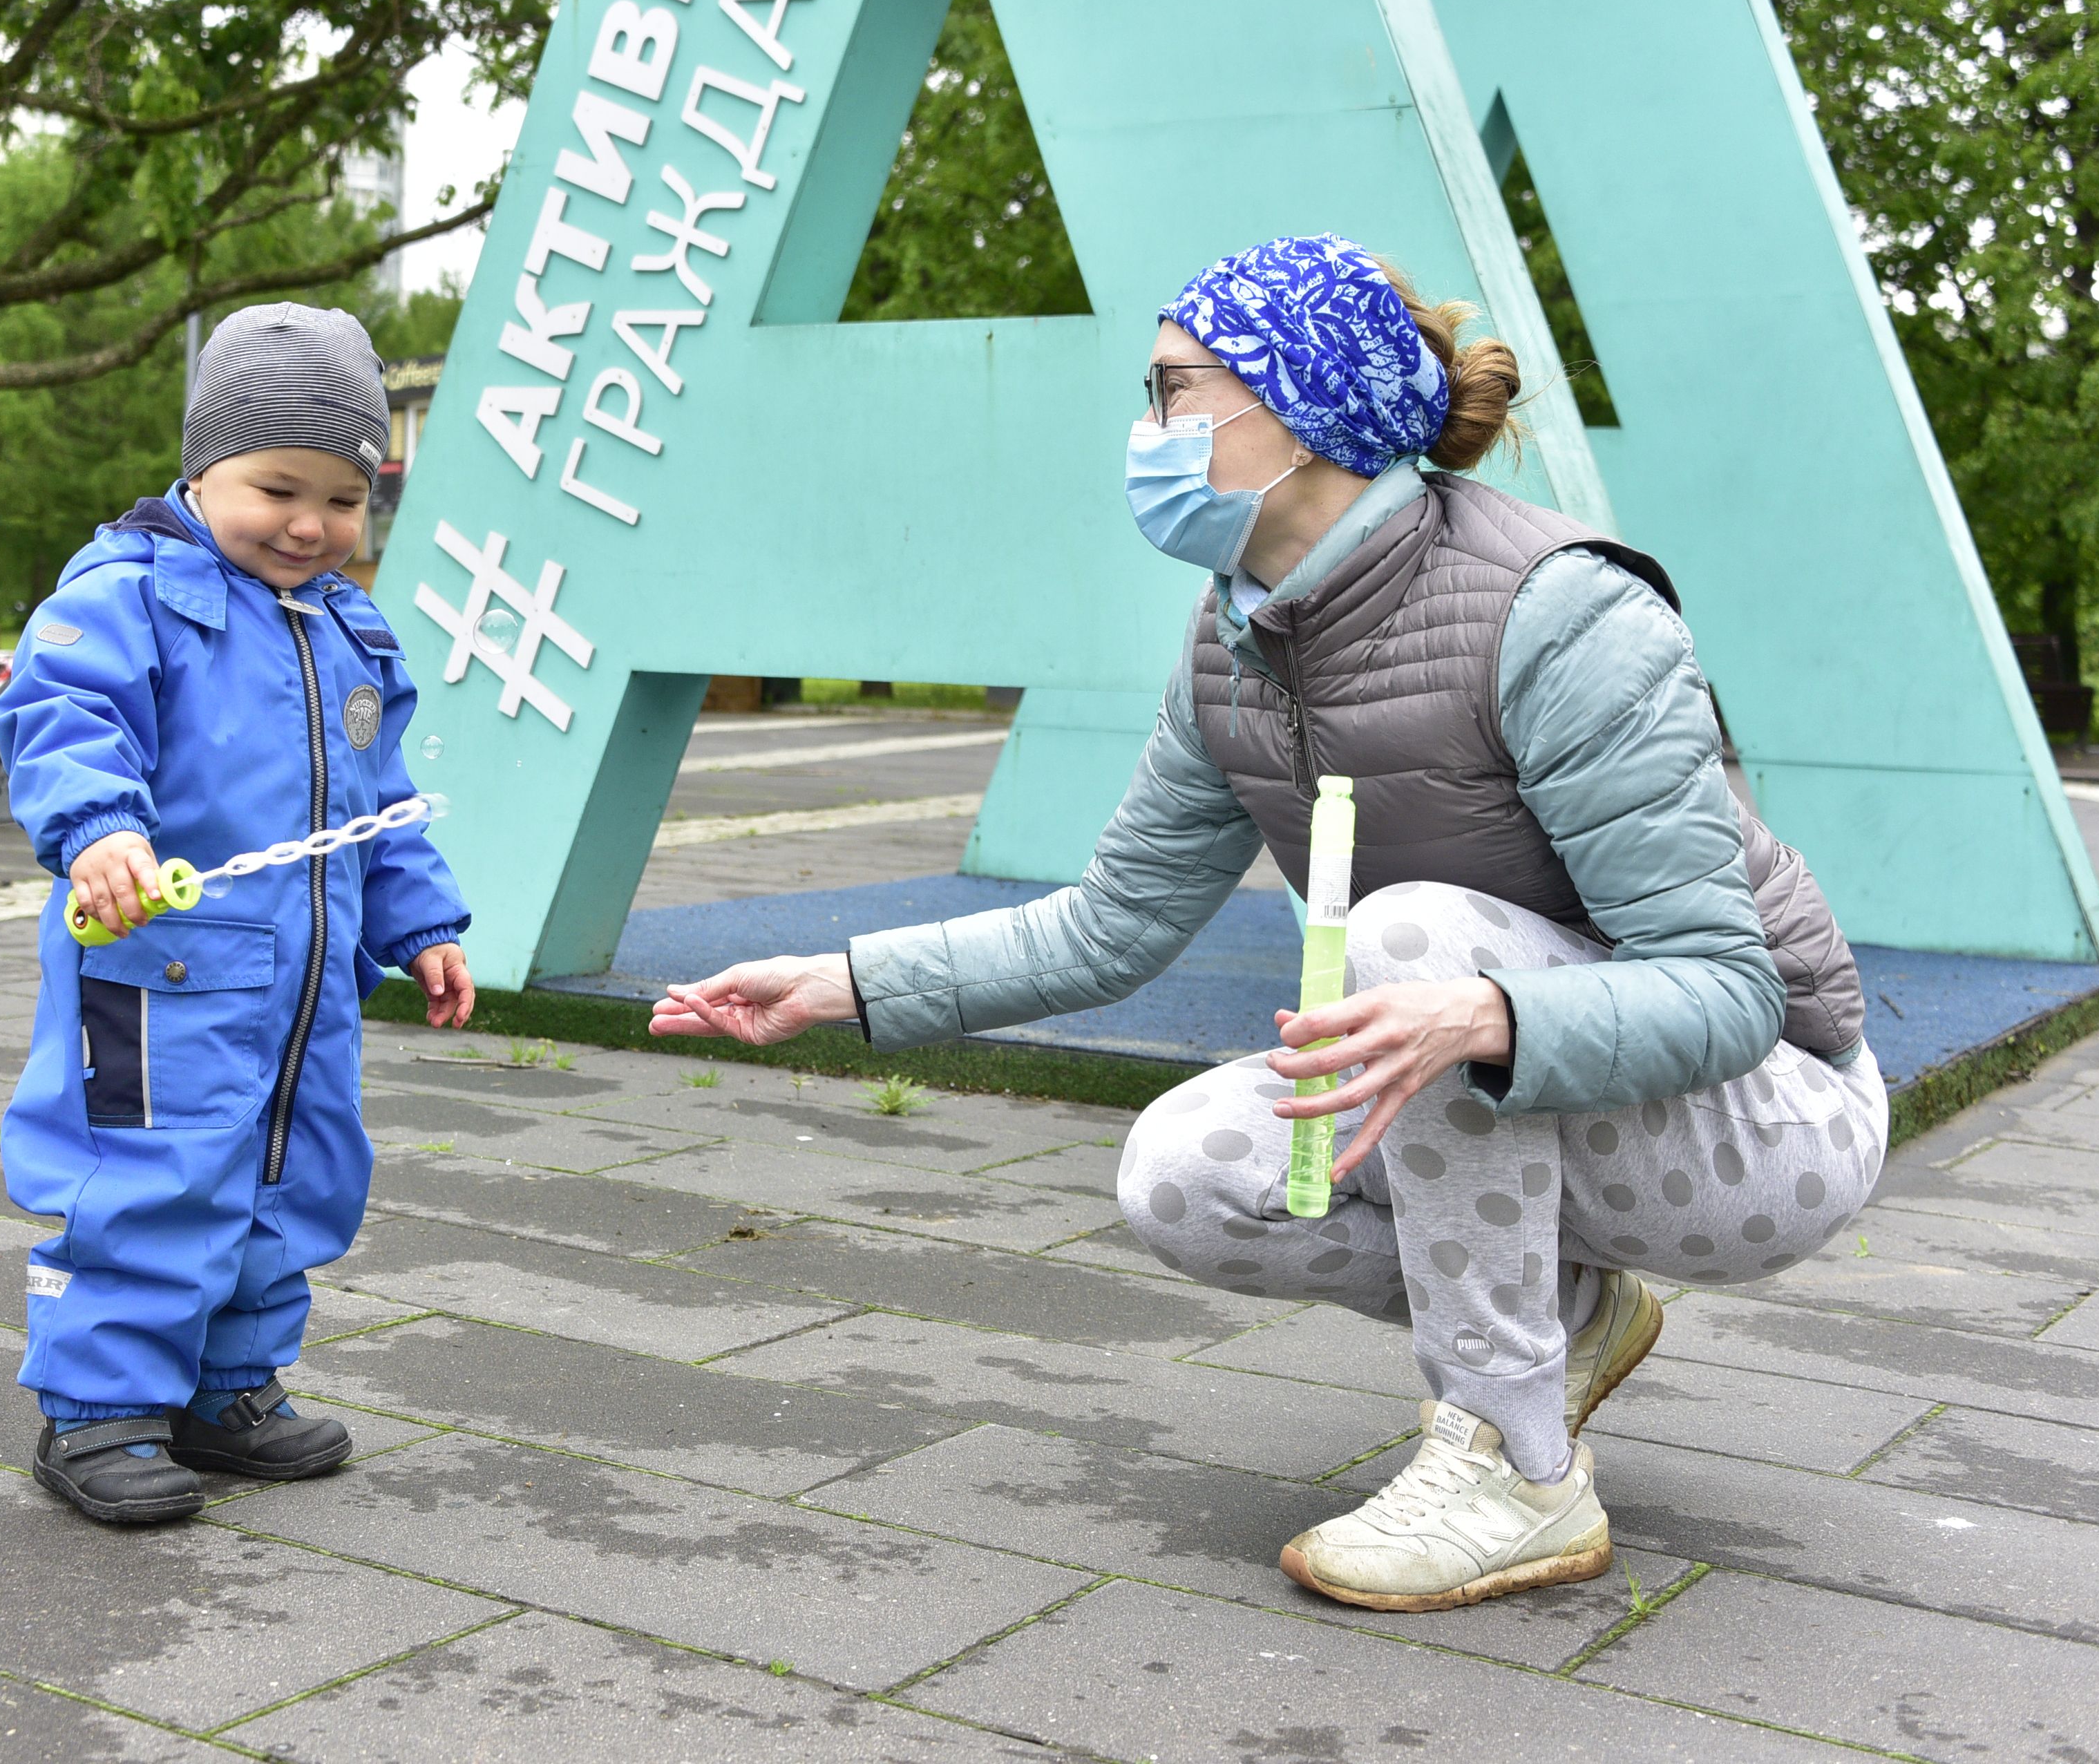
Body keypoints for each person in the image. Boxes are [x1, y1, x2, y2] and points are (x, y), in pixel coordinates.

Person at [652, 235, 1881, 1612]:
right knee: (1184, 1174)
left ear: (1297, 409)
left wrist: (1484, 1013)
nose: (1148, 430)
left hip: (1769, 1120)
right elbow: (1110, 927)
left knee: (1407, 941)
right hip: (1541, 1080)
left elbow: (1726, 989)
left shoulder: (1561, 611)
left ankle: (1514, 1465)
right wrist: (836, 983)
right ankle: (1570, 1321)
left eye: (1176, 391)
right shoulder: (1234, 637)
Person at [0, 301, 477, 1526]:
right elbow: (60, 713)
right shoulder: (128, 591)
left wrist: (421, 926)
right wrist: (102, 829)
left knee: (288, 1172)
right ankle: (99, 1411)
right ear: (205, 467)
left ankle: (226, 1387)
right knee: (152, 1177)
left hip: (305, 984)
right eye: (278, 489)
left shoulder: (348, 629)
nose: (312, 525)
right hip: (160, 972)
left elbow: (384, 804)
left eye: (344, 498)